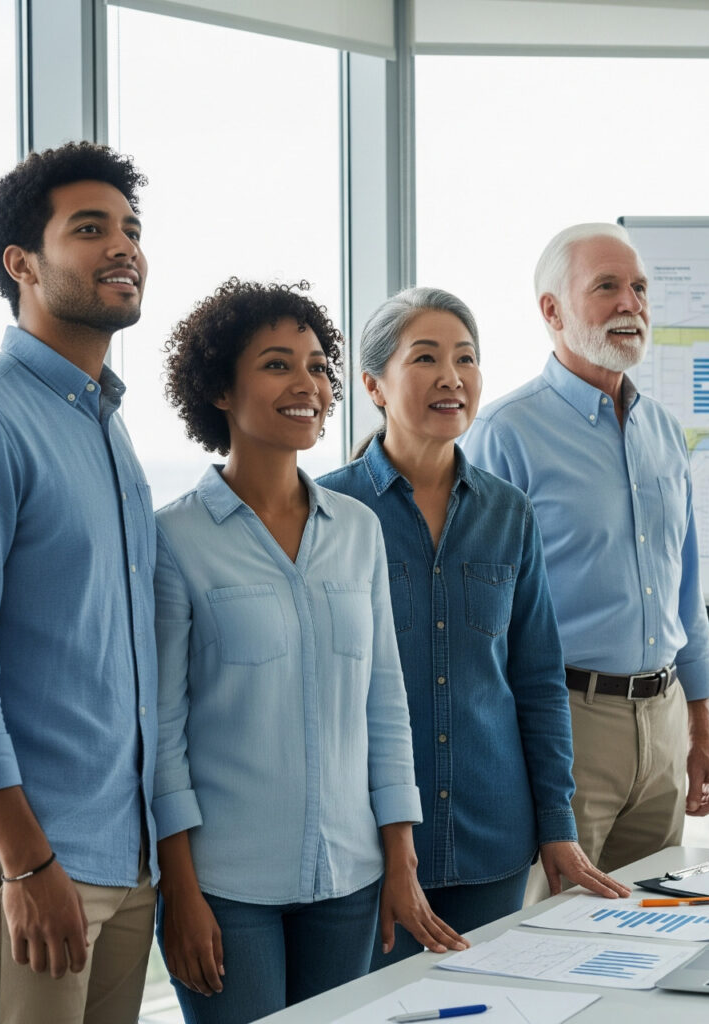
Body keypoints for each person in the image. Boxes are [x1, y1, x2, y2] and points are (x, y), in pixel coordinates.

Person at [153, 279, 465, 1023]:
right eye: (277, 365)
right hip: (226, 889)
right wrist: (179, 891)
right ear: (219, 390)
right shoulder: (173, 539)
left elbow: (385, 703)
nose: (308, 385)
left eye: (319, 367)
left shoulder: (357, 530)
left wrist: (400, 859)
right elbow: (160, 733)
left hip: (351, 879)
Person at [0, 142, 158, 1023]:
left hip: (122, 858)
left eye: (131, 228)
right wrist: (25, 861)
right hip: (23, 857)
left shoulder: (107, 428)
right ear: (22, 264)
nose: (123, 246)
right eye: (89, 229)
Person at [319, 287, 630, 967]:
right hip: (365, 846)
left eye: (465, 358)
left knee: (484, 1003)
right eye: (425, 358)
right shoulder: (329, 510)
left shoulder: (509, 512)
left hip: (493, 838)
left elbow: (538, 681)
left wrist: (557, 825)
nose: (451, 377)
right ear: (373, 385)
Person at [461, 223, 709, 886]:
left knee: (650, 927)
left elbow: (685, 592)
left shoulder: (665, 430)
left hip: (664, 721)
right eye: (606, 286)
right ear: (552, 310)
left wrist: (701, 731)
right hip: (564, 723)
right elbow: (478, 623)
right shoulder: (505, 434)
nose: (630, 303)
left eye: (639, 287)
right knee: (549, 929)